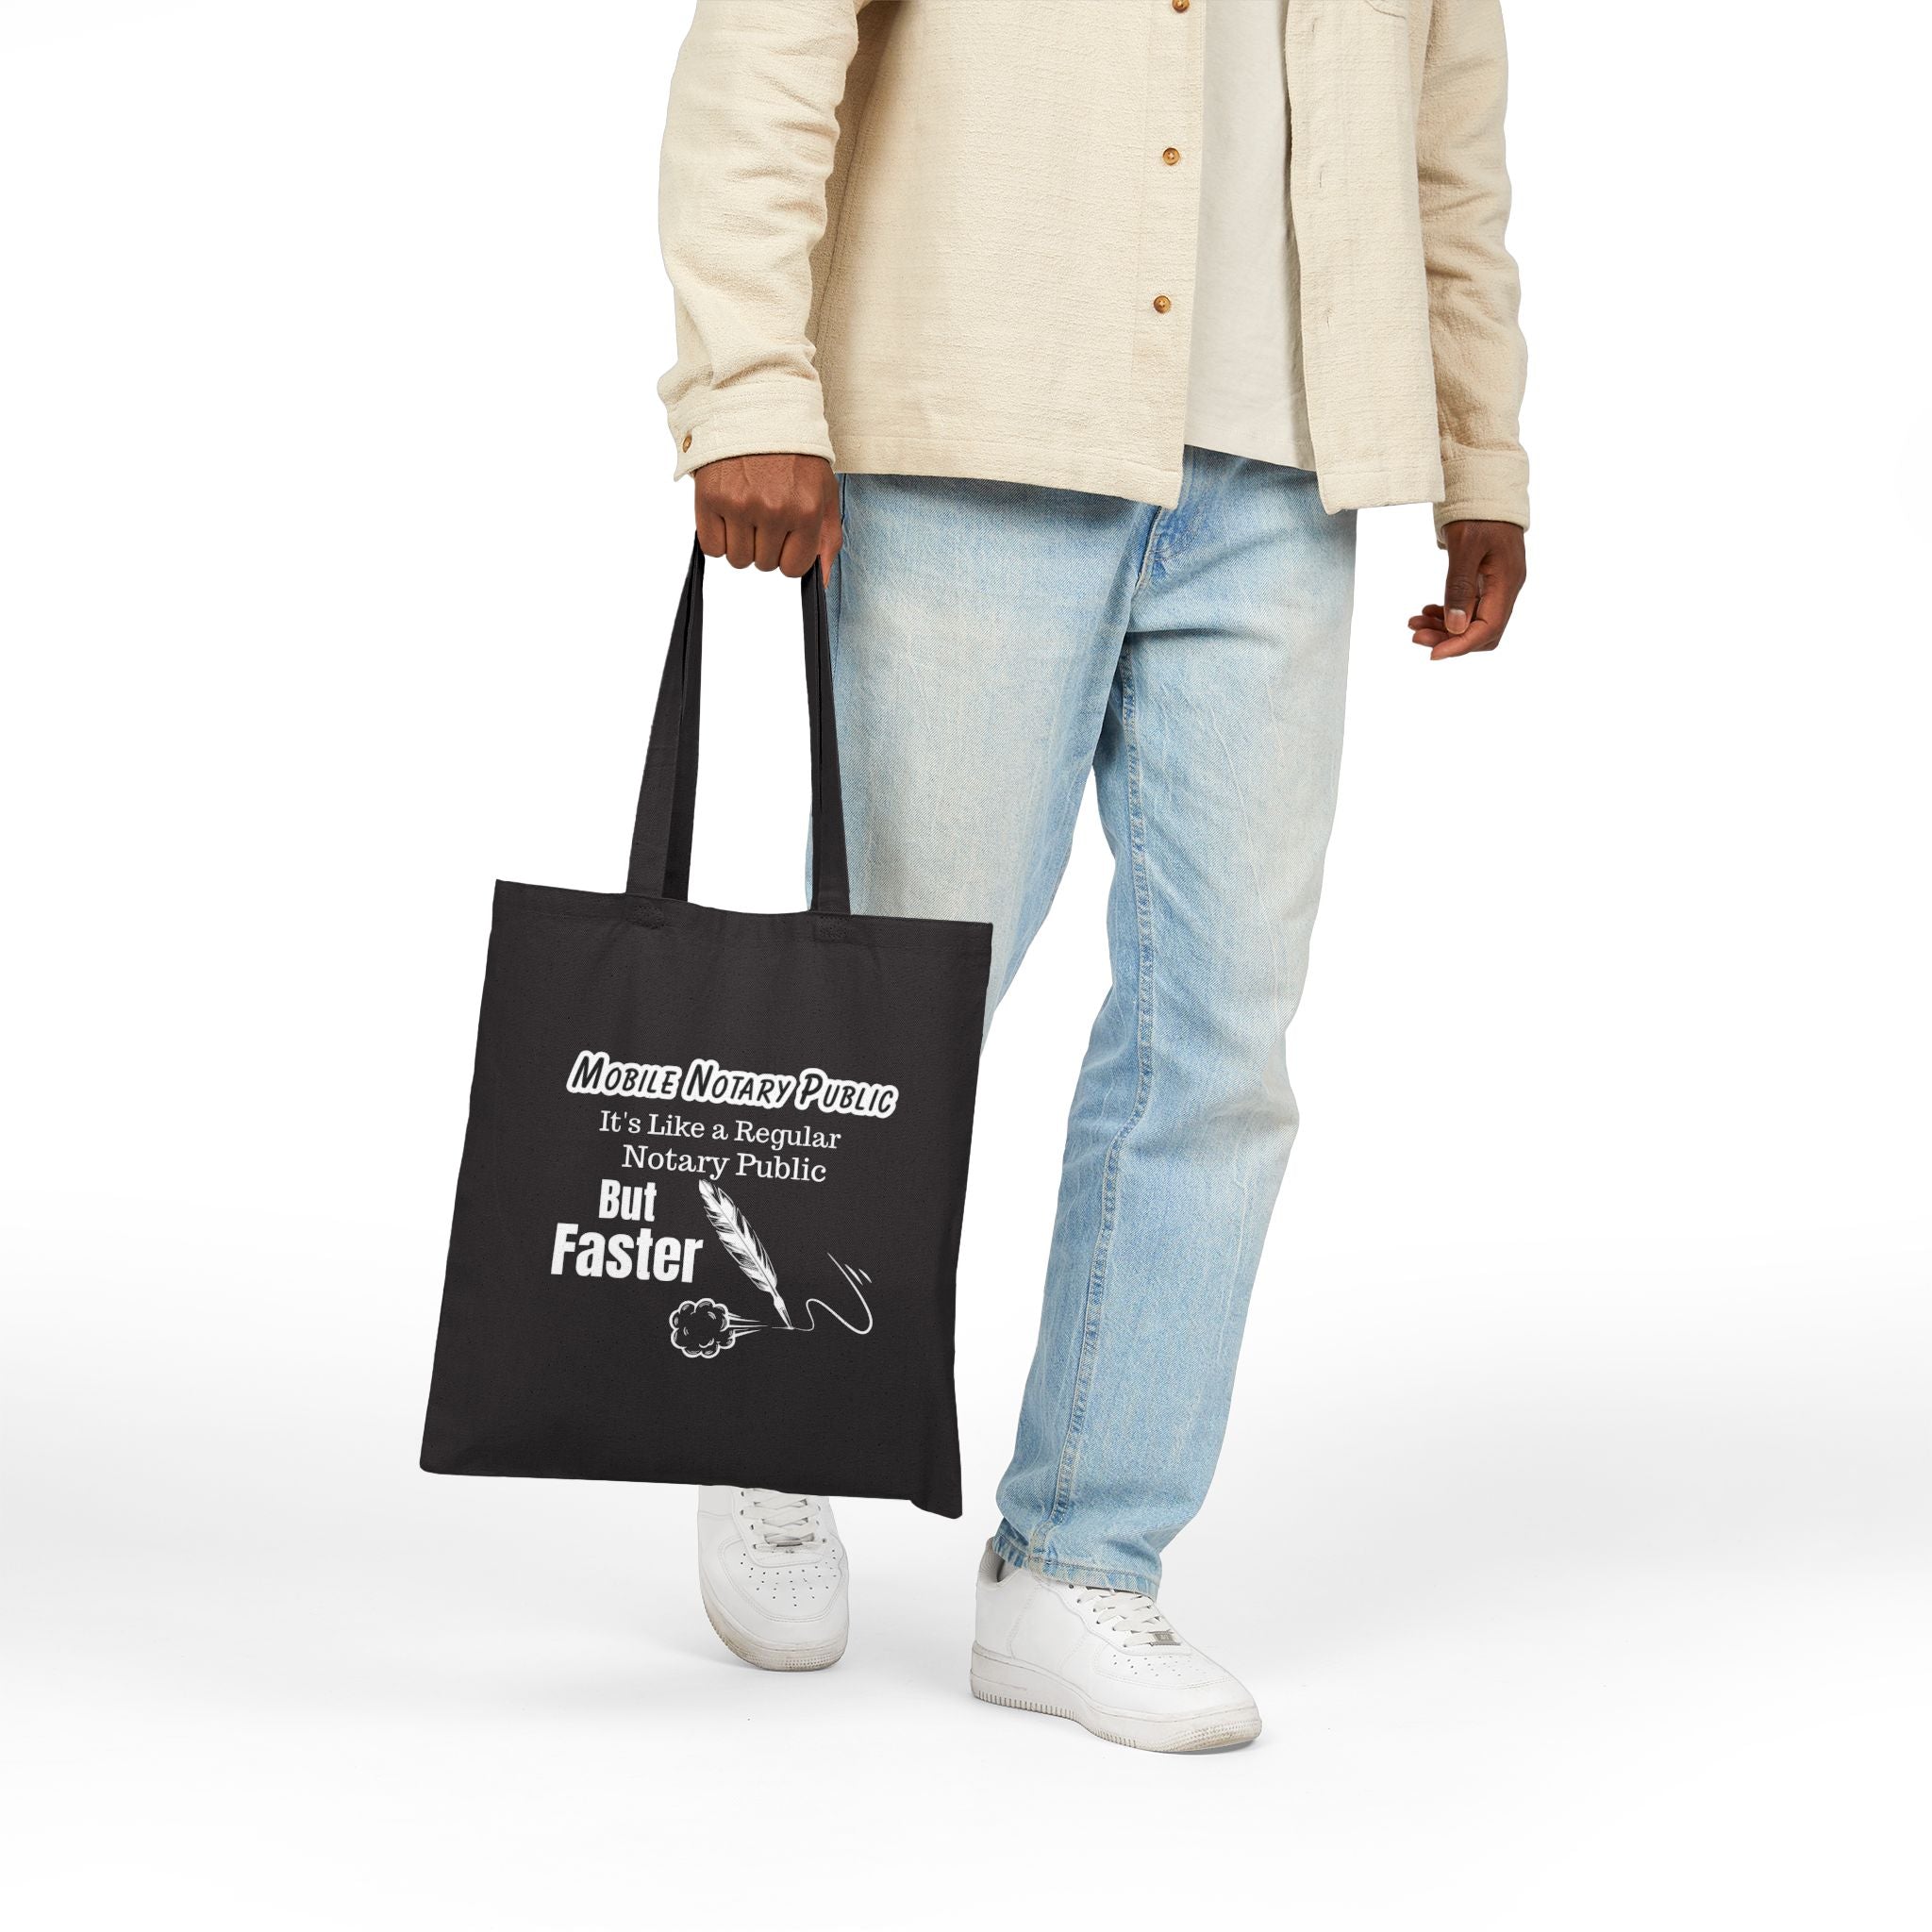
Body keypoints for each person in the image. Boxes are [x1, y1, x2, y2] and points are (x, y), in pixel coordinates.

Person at [663, 0, 1527, 1752]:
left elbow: (1450, 138)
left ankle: (1081, 1556)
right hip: (982, 419)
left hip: (1288, 474)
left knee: (1222, 1038)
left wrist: (1477, 441)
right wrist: (747, 381)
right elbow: (768, 52)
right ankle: (768, 1423)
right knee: (897, 1014)